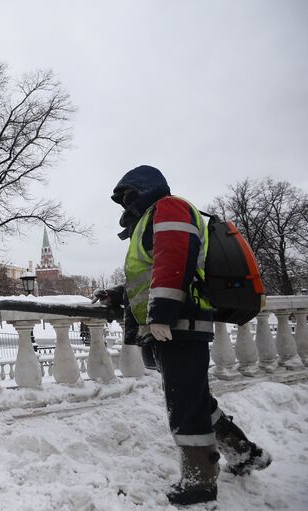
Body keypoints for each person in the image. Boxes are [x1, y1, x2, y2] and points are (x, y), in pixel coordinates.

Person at [93, 165, 271, 506]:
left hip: (179, 327)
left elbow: (176, 262)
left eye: (129, 195)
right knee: (195, 399)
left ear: (145, 188)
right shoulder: (149, 221)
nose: (125, 204)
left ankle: (200, 482)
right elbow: (148, 274)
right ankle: (244, 452)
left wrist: (162, 313)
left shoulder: (169, 208)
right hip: (173, 327)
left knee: (185, 407)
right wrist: (116, 295)